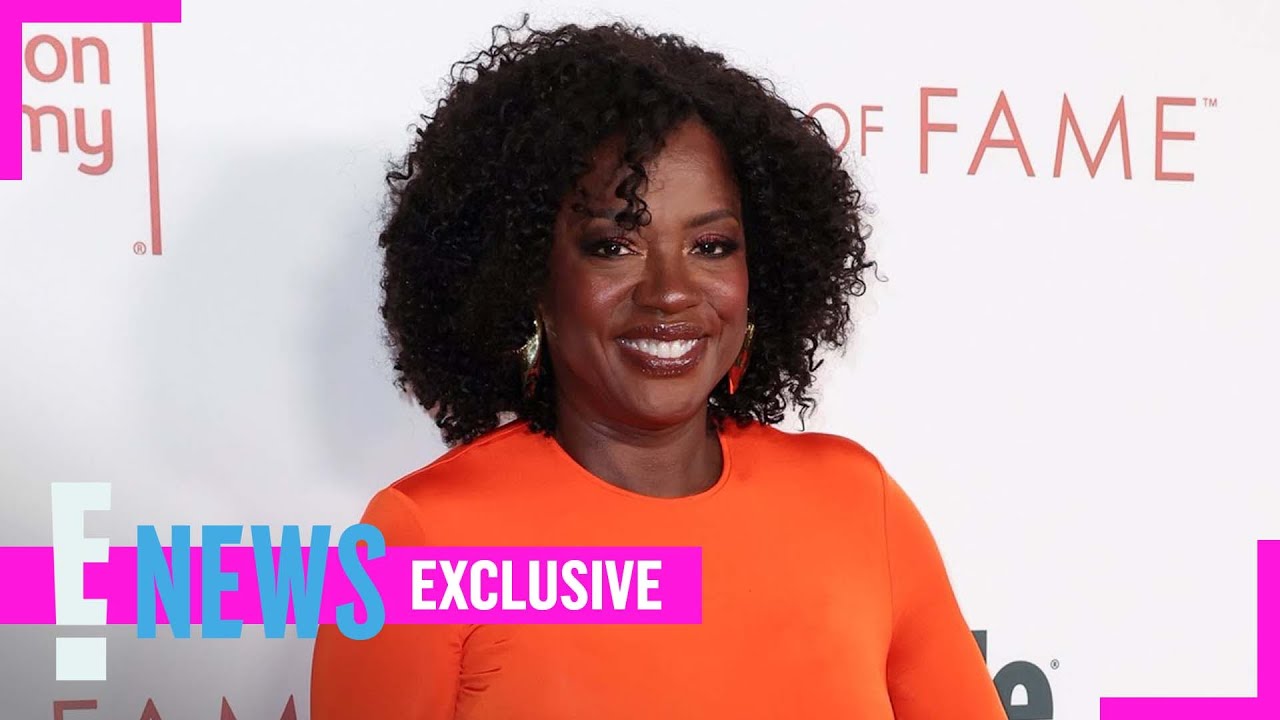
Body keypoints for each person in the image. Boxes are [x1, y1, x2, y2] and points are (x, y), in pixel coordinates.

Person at [311, 15, 1006, 720]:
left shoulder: (858, 506)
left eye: (711, 246)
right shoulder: (415, 546)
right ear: (528, 277)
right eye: (614, 246)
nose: (671, 292)